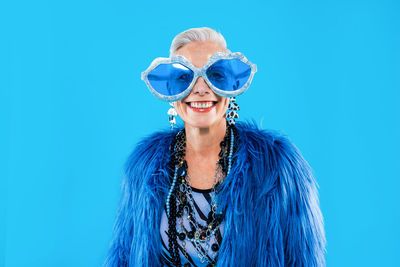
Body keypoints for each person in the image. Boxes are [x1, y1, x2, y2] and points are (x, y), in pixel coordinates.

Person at [104, 27, 326, 267]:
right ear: (171, 92)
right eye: (185, 77)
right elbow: (124, 258)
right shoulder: (143, 169)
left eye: (215, 75)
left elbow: (303, 260)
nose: (200, 89)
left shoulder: (278, 168)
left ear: (232, 88)